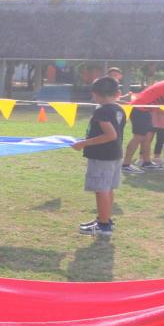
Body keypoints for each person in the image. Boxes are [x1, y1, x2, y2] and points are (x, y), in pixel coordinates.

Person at [72, 76, 125, 238]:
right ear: (117, 93)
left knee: (101, 190)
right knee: (107, 189)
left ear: (95, 94)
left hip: (102, 157)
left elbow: (110, 135)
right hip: (114, 155)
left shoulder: (102, 112)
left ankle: (103, 226)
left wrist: (84, 144)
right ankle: (104, 220)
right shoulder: (118, 109)